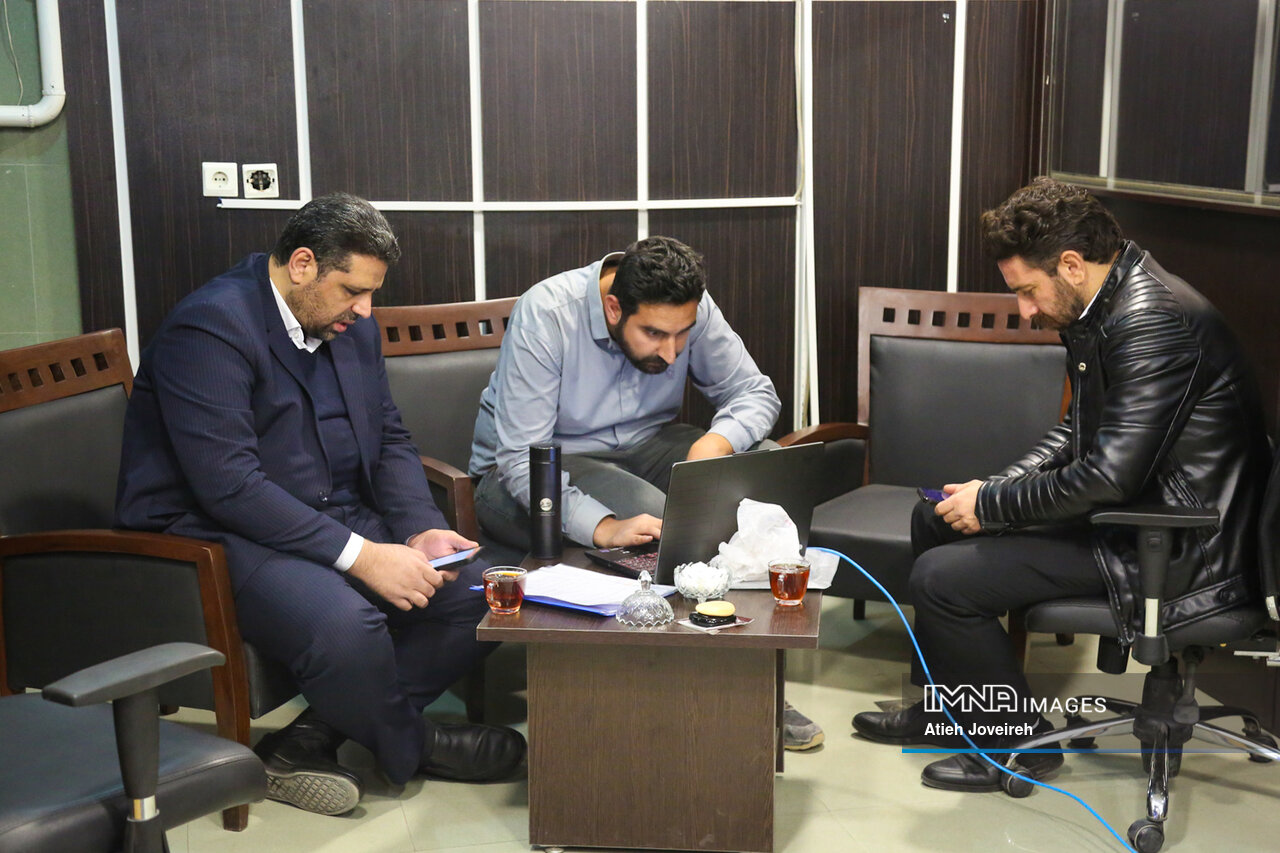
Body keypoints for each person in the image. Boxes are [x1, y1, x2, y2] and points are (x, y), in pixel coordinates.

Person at [850, 177, 1270, 791]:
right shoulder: (1104, 304)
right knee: (933, 516)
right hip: (1136, 510)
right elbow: (1078, 431)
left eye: (1026, 291)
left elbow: (1107, 475)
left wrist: (994, 504)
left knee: (942, 580)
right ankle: (950, 710)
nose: (1024, 310)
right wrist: (992, 488)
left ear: (1071, 264)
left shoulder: (1151, 323)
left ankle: (1014, 746)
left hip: (1179, 542)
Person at [115, 193, 526, 816]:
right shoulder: (209, 327)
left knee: (483, 592)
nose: (364, 310)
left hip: (328, 512)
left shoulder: (349, 326)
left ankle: (309, 739)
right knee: (345, 626)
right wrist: (363, 557)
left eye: (371, 294)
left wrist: (419, 529)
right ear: (303, 264)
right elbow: (229, 485)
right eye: (352, 291)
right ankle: (414, 743)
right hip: (213, 532)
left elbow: (389, 438)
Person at [469, 235, 822, 750]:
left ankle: (751, 679)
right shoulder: (547, 313)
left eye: (681, 335)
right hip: (533, 470)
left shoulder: (689, 309)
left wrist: (715, 444)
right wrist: (603, 526)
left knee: (758, 476)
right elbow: (523, 460)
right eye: (654, 333)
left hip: (646, 444)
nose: (672, 351)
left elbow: (755, 392)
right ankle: (686, 691)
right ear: (614, 308)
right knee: (663, 519)